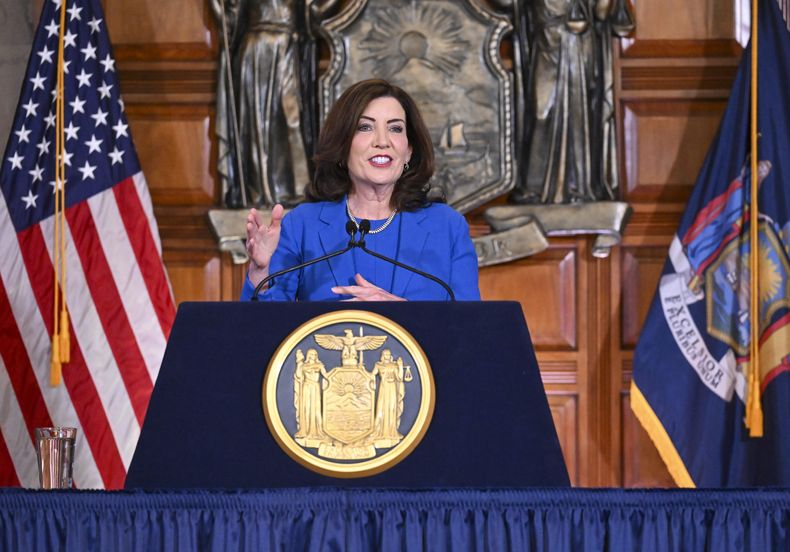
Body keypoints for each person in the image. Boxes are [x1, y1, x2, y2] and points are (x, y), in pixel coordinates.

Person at [240, 79, 480, 301]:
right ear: (342, 147)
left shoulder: (447, 227)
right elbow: (263, 332)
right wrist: (261, 272)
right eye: (365, 127)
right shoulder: (302, 225)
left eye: (395, 128)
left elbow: (470, 329)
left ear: (408, 151)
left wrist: (402, 315)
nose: (382, 141)